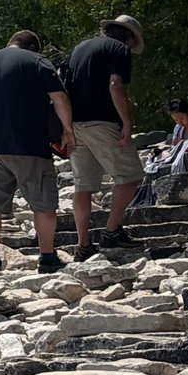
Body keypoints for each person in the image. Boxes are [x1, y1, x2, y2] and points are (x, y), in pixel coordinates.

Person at [0, 29, 76, 275]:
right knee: (43, 203)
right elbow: (59, 97)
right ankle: (47, 257)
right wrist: (68, 130)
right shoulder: (38, 62)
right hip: (28, 144)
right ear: (33, 48)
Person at [65, 15, 146, 261]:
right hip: (103, 121)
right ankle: (111, 232)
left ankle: (83, 246)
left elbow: (64, 86)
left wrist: (64, 127)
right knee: (130, 176)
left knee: (83, 185)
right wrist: (127, 121)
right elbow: (115, 84)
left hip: (75, 124)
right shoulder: (118, 49)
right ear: (129, 36)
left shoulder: (79, 48)